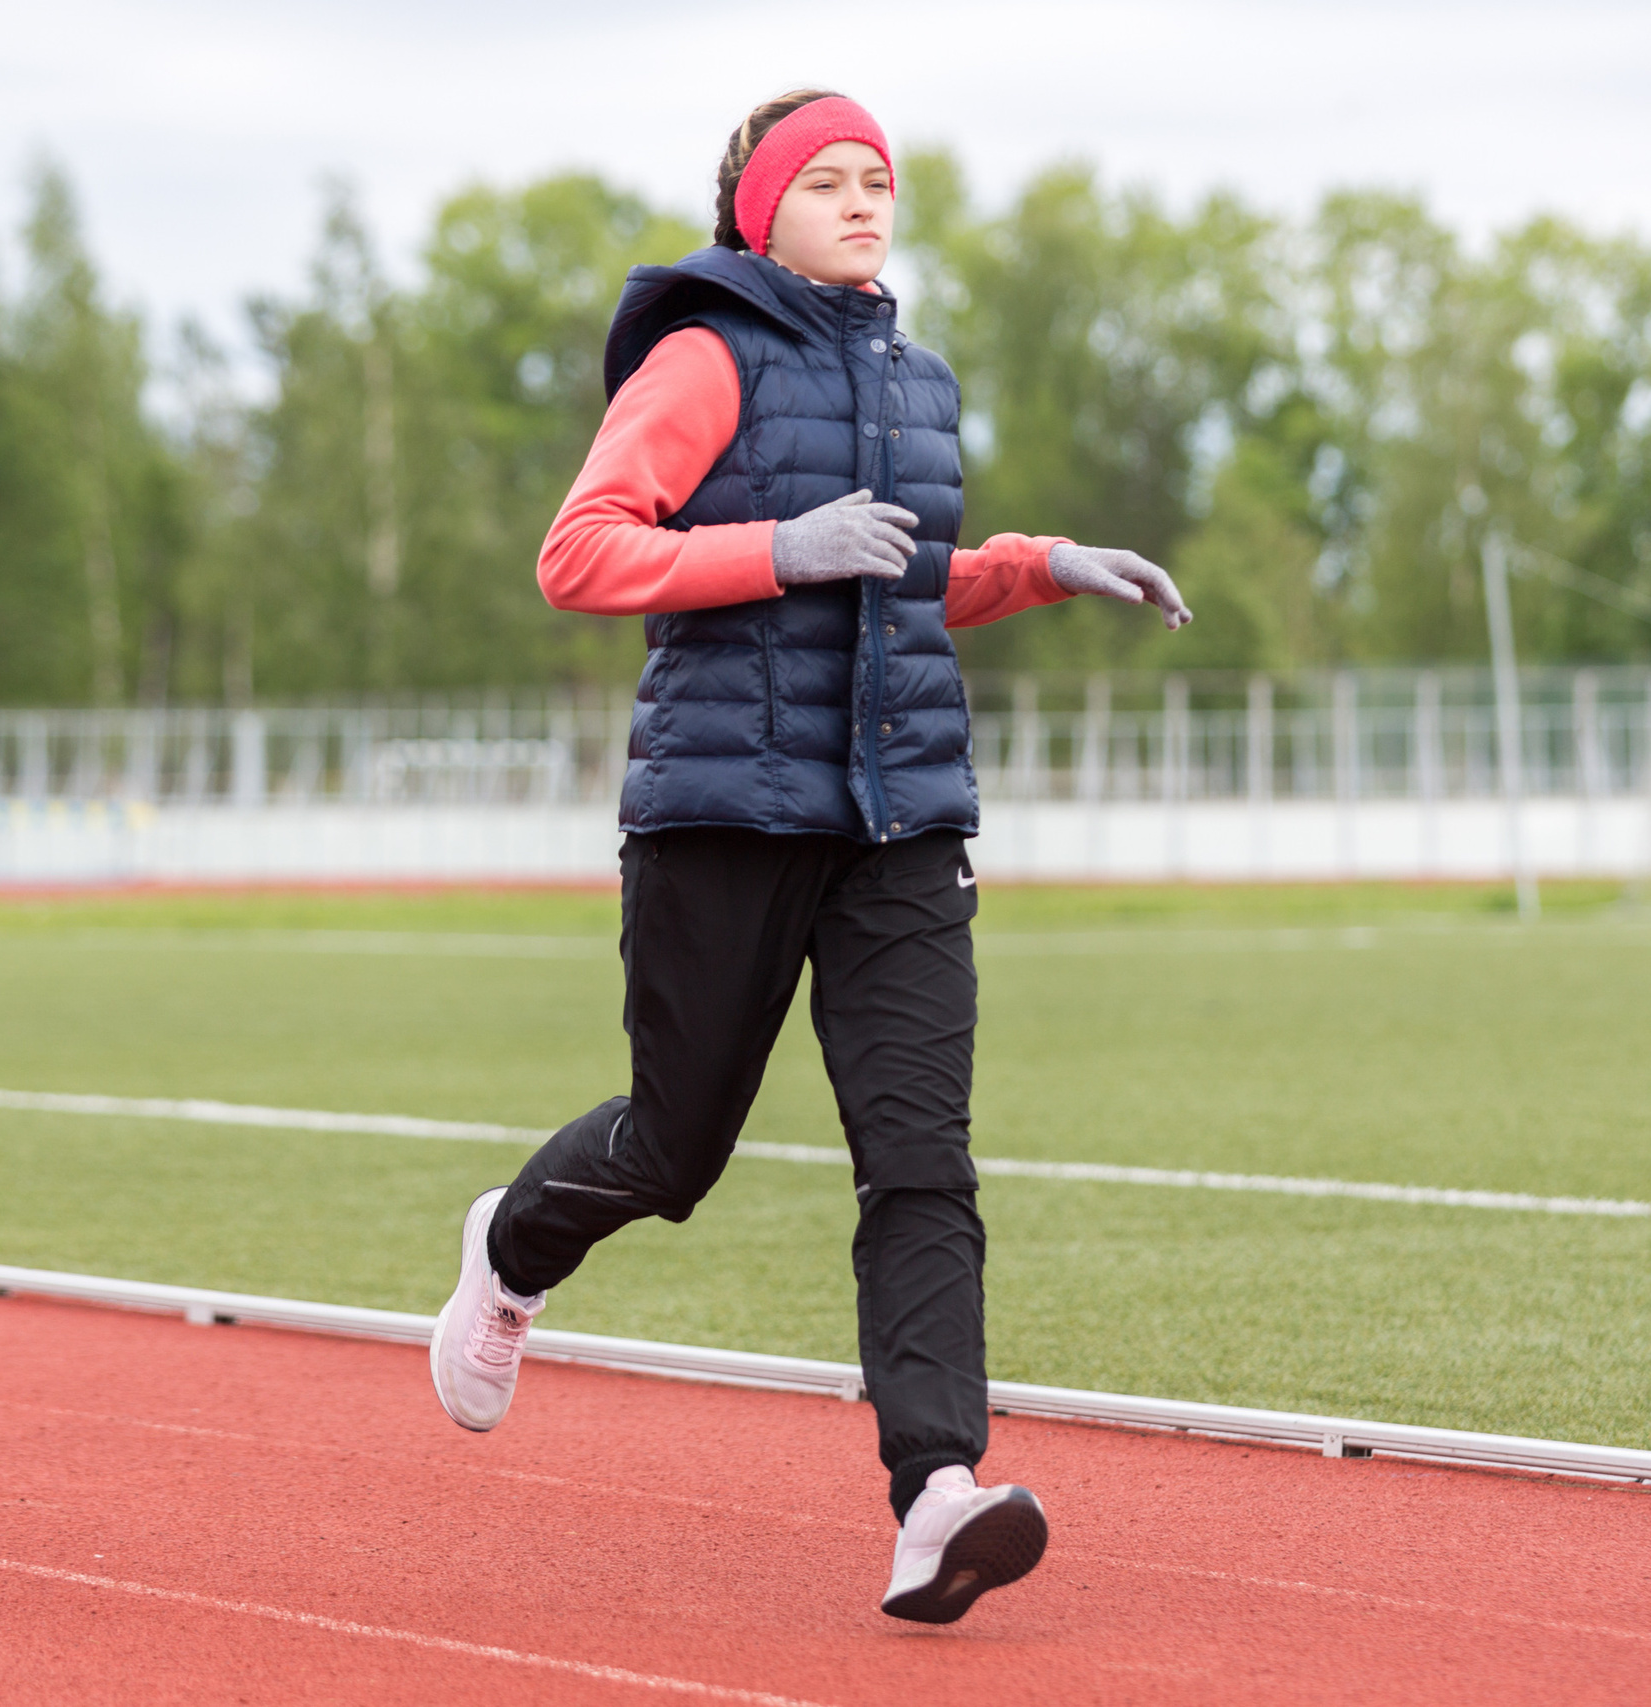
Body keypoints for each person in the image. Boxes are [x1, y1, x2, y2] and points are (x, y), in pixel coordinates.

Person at [428, 88, 1190, 1625]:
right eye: (829, 181)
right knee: (675, 1146)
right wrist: (781, 546)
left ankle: (936, 1497)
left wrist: (1038, 568)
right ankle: (510, 1252)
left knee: (920, 1160)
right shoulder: (701, 359)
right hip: (725, 814)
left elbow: (896, 585)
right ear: (756, 209)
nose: (864, 202)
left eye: (880, 181)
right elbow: (582, 550)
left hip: (900, 821)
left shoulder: (920, 378)